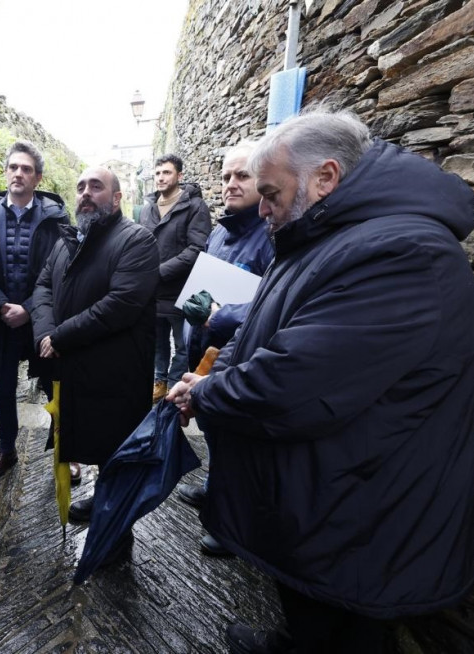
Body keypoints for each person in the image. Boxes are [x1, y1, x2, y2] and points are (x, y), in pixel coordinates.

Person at [168, 109, 474, 654]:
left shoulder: (399, 253)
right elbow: (270, 325)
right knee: (310, 611)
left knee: (345, 630)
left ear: (326, 178)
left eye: (271, 191)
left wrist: (209, 393)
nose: (261, 207)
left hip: (366, 506)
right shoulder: (324, 233)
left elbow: (295, 382)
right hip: (333, 493)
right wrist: (220, 368)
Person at [31, 167, 159, 540]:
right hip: (74, 367)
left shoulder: (136, 241)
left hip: (115, 372)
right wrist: (45, 334)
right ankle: (104, 499)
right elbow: (42, 287)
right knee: (84, 435)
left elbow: (122, 303)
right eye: (81, 186)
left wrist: (62, 336)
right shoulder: (67, 241)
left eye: (96, 187)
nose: (86, 193)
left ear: (117, 198)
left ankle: (115, 532)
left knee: (114, 449)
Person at [175, 139, 274, 556]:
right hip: (209, 352)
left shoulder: (272, 232)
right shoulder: (219, 232)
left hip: (243, 356)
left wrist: (221, 315)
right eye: (225, 176)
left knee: (240, 442)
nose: (231, 184)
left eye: (242, 175)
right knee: (215, 430)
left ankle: (235, 527)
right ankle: (217, 490)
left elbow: (274, 303)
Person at [0, 140, 74, 483]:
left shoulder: (56, 218)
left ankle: (66, 450)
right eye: (14, 167)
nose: (19, 173)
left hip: (43, 319)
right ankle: (6, 448)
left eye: (26, 169)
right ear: (5, 172)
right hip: (0, 321)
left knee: (56, 385)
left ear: (37, 178)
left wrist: (28, 308)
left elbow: (65, 268)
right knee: (4, 387)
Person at [139, 154, 212, 402]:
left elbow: (196, 249)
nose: (161, 177)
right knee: (158, 341)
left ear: (179, 176)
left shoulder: (194, 206)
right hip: (153, 292)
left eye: (166, 172)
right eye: (158, 172)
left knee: (182, 344)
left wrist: (159, 272)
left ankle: (175, 385)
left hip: (182, 290)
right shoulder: (147, 208)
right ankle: (159, 381)